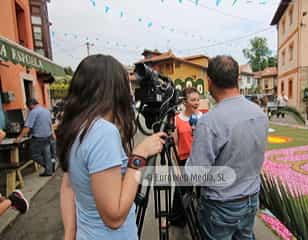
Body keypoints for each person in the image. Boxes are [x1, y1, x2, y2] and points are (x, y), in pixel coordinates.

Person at [57, 54, 166, 240]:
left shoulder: (75, 127)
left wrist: (70, 232)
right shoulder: (102, 133)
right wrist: (139, 155)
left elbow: (68, 185)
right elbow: (114, 218)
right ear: (116, 90)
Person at [186, 55, 268, 239]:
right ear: (237, 78)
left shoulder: (209, 122)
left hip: (220, 205)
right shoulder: (259, 114)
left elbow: (196, 174)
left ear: (209, 82)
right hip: (250, 200)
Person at [170, 87, 202, 227]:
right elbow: (174, 145)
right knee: (182, 193)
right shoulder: (177, 119)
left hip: (201, 161)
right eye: (192, 100)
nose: (196, 103)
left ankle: (201, 219)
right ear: (185, 102)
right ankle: (177, 218)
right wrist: (176, 166)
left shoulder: (203, 118)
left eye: (197, 99)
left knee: (203, 193)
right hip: (184, 161)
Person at [15, 98, 53, 177]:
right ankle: (49, 170)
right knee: (47, 154)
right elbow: (49, 124)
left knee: (33, 155)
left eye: (28, 107)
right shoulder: (46, 111)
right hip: (48, 136)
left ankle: (49, 166)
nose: (28, 109)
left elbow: (27, 127)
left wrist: (19, 138)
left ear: (30, 105)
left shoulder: (33, 112)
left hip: (38, 138)